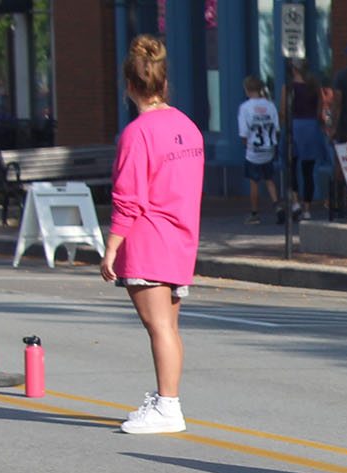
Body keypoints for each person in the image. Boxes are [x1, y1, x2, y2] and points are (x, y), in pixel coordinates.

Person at [101, 35, 204, 435]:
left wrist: (111, 248)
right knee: (169, 327)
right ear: (163, 83)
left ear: (130, 86)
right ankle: (168, 401)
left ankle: (167, 406)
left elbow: (128, 197)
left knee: (158, 327)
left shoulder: (137, 133)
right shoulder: (188, 128)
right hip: (181, 238)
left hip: (149, 239)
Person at [286, 61, 329, 219]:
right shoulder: (314, 87)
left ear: (294, 69)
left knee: (291, 166)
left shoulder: (289, 87)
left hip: (295, 126)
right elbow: (319, 113)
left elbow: (284, 111)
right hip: (311, 127)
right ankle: (307, 209)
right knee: (308, 170)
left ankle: (296, 201)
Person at [237, 76, 282, 225]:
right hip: (268, 148)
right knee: (269, 179)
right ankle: (277, 205)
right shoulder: (270, 106)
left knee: (254, 181)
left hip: (254, 150)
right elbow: (276, 128)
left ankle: (255, 212)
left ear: (247, 90)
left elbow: (243, 133)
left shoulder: (245, 108)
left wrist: (247, 145)